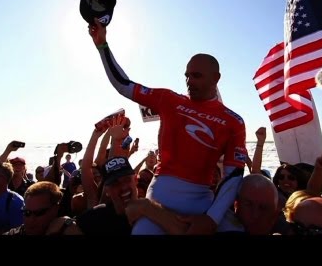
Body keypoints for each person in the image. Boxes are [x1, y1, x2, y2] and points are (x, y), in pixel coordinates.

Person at [87, 18, 248, 234]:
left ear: (216, 78)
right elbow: (124, 85)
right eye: (187, 76)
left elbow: (233, 175)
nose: (189, 81)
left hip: (203, 199)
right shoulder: (169, 100)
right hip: (162, 193)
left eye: (197, 76)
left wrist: (211, 219)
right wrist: (102, 45)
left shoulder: (233, 121)